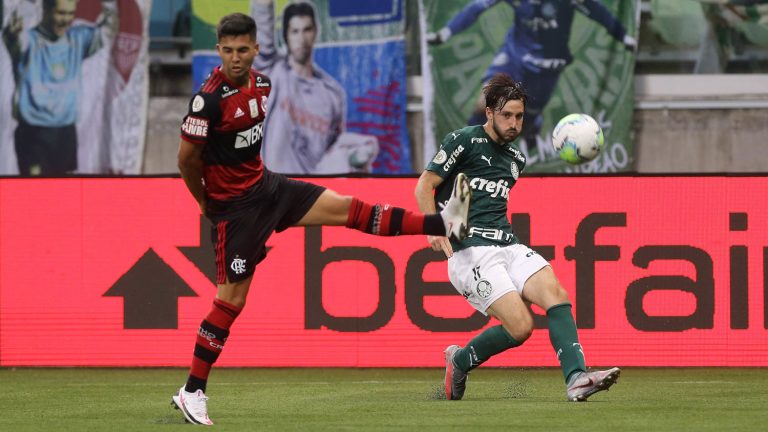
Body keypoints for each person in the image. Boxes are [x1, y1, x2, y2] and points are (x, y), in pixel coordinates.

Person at [171, 13, 472, 425]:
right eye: (228, 50)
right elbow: (186, 160)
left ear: (256, 49)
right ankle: (192, 391)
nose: (236, 58)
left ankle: (445, 223)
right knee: (231, 301)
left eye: (243, 49)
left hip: (269, 189)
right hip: (235, 211)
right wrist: (205, 203)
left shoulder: (263, 84)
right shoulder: (207, 100)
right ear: (219, 50)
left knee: (349, 208)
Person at [415, 73, 620, 402]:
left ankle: (577, 378)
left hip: (508, 245)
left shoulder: (515, 160)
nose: (514, 123)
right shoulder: (463, 140)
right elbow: (425, 185)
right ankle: (459, 361)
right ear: (489, 113)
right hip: (470, 253)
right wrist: (433, 227)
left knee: (556, 294)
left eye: (520, 116)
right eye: (507, 115)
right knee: (521, 327)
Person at [426, 0, 636, 147]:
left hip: (546, 67)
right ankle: (461, 149)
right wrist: (444, 33)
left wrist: (624, 37)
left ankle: (532, 125)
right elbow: (476, 7)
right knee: (485, 103)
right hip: (513, 58)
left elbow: (599, 13)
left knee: (521, 125)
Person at [251, 0, 376, 174]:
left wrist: (353, 157)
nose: (301, 38)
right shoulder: (272, 71)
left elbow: (335, 149)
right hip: (275, 186)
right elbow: (262, 28)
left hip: (314, 190)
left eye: (307, 30)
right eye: (295, 31)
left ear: (316, 32)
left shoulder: (332, 93)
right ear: (285, 35)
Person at [1, 0, 116, 175]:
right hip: (34, 134)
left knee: (62, 196)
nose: (66, 19)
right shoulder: (29, 41)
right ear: (46, 9)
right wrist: (12, 33)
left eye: (71, 13)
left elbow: (108, 29)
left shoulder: (77, 39)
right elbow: (14, 40)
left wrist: (109, 4)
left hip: (65, 133)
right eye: (61, 13)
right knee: (37, 195)